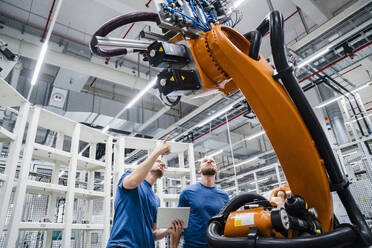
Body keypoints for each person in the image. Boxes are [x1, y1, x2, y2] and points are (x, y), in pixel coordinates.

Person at [107, 137, 184, 248]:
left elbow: (153, 234)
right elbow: (133, 181)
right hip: (123, 245)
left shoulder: (155, 199)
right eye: (158, 161)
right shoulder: (129, 177)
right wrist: (157, 151)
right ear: (148, 164)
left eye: (163, 164)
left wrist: (167, 230)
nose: (162, 164)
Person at [172, 157, 229, 248]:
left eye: (212, 161)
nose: (209, 161)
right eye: (205, 161)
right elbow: (177, 225)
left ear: (217, 170)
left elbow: (228, 224)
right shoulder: (187, 193)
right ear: (199, 170)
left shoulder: (224, 196)